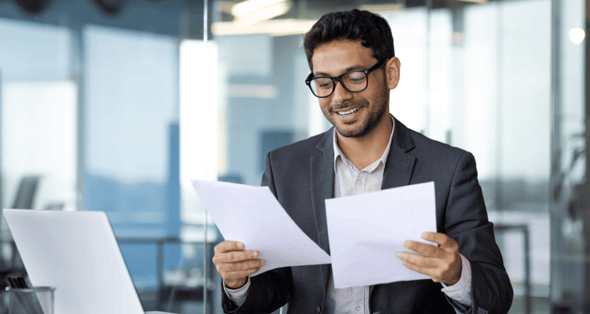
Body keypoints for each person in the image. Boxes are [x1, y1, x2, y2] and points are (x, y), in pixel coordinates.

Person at [212, 9, 513, 314]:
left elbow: (497, 296)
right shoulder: (285, 168)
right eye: (324, 82)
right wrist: (239, 283)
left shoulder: (449, 168)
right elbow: (276, 285)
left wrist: (457, 273)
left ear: (391, 73)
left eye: (355, 77)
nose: (339, 96)